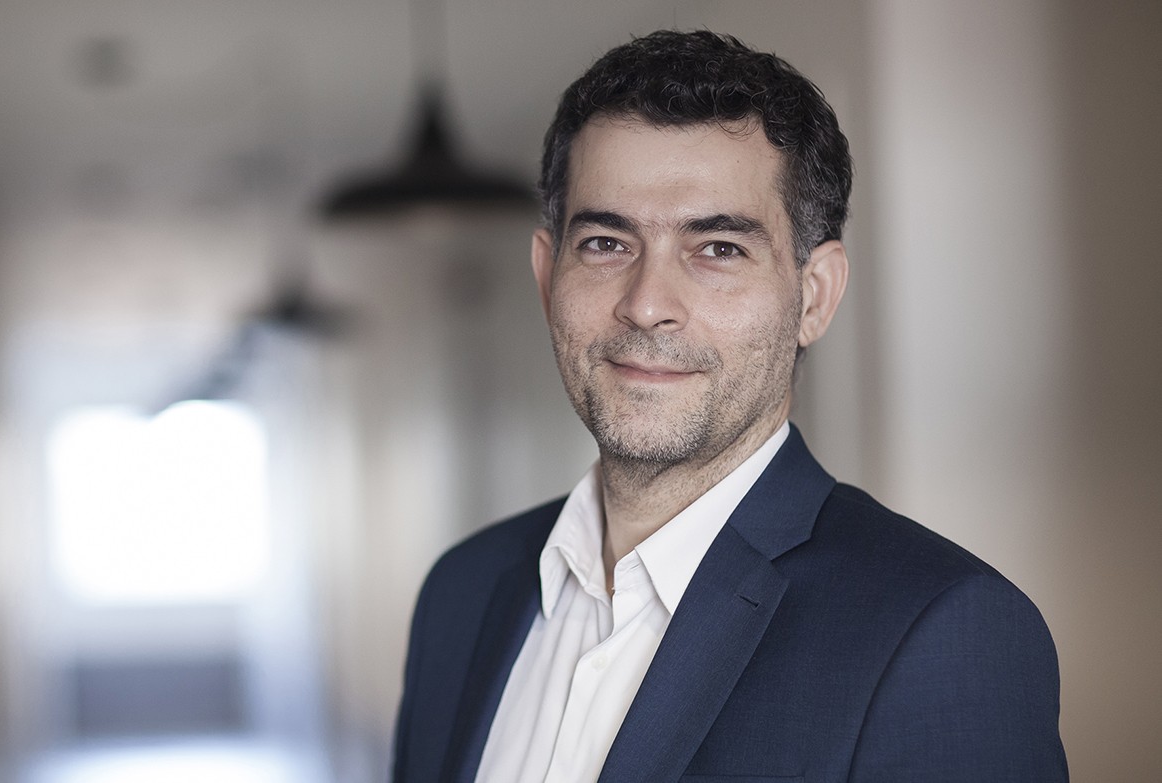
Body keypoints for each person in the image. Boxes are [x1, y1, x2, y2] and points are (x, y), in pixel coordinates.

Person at [392, 30, 1066, 783]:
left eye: (718, 249)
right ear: (548, 276)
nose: (647, 305)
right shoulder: (462, 592)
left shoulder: (940, 634)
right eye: (606, 243)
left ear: (815, 296)